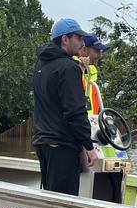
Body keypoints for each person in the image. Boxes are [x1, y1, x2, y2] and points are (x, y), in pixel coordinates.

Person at [32, 18, 98, 195]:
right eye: (78, 38)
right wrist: (89, 147)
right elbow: (75, 112)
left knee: (50, 195)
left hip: (43, 143)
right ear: (65, 39)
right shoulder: (68, 68)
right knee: (64, 203)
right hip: (62, 146)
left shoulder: (41, 65)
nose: (82, 43)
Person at [78, 34, 110, 115]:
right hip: (78, 123)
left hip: (90, 122)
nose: (100, 55)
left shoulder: (91, 70)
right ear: (84, 49)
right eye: (96, 51)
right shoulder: (73, 67)